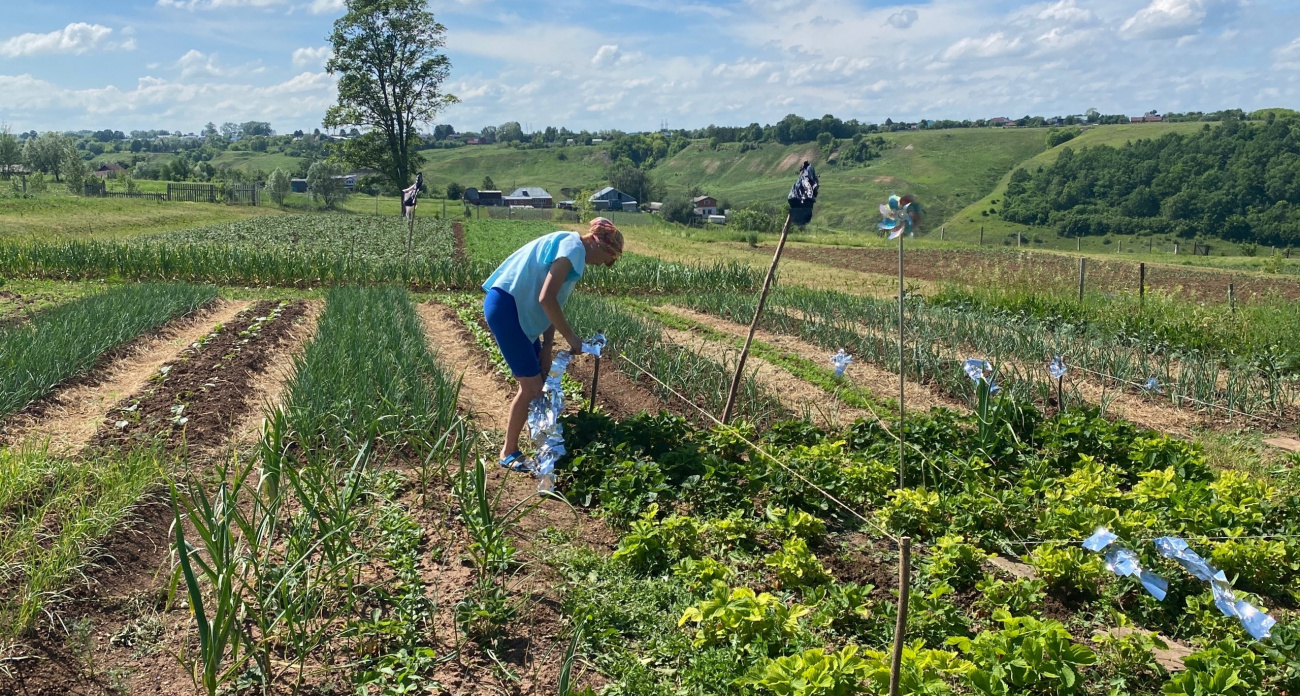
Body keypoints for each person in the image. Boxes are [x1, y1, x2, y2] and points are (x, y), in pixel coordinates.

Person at [482, 217, 623, 470]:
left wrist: (547, 345)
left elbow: (550, 302)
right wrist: (572, 338)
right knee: (531, 387)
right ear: (598, 243)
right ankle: (508, 452)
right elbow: (546, 298)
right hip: (508, 309)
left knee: (539, 380)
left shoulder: (570, 247)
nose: (603, 264)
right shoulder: (573, 250)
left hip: (517, 310)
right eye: (607, 258)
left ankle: (537, 442)